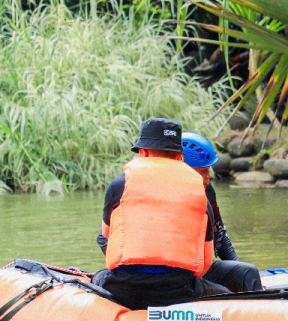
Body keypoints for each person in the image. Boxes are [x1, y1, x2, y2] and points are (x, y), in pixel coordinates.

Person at [93, 118, 229, 310]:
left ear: (143, 152)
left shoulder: (118, 185)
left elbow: (105, 238)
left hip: (123, 288)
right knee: (226, 295)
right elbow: (206, 262)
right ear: (179, 156)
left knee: (97, 277)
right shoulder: (199, 191)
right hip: (179, 291)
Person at [180, 132, 263, 294]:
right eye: (203, 171)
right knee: (224, 291)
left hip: (202, 268)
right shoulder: (166, 194)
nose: (209, 175)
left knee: (247, 272)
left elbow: (220, 235)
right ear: (186, 171)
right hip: (178, 272)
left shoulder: (207, 191)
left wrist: (235, 267)